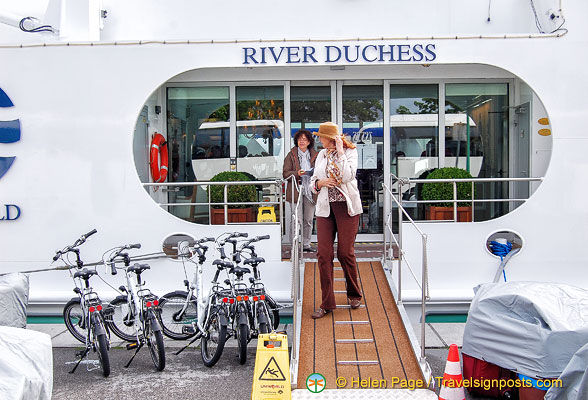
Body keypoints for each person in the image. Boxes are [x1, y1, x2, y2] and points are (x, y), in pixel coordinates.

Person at [309, 122, 363, 319]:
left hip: (347, 207)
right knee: (323, 254)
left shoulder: (350, 152)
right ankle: (327, 303)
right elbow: (312, 181)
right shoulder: (321, 155)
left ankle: (354, 294)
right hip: (325, 208)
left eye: (321, 136)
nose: (319, 139)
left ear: (330, 138)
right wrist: (319, 183)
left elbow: (348, 176)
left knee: (345, 253)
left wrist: (340, 152)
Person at [283, 129, 318, 252]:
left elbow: (321, 171)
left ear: (309, 142)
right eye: (299, 139)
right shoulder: (291, 154)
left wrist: (313, 173)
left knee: (308, 220)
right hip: (296, 190)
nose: (302, 141)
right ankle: (293, 245)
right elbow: (285, 174)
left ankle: (306, 244)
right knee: (296, 219)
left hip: (310, 190)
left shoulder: (315, 155)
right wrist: (297, 173)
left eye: (304, 139)